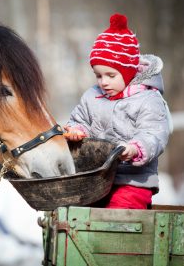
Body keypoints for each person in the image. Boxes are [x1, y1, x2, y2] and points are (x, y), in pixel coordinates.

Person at [64, 13, 172, 209]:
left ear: (128, 72)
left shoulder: (148, 99)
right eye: (98, 75)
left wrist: (134, 148)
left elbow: (153, 134)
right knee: (78, 211)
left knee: (118, 214)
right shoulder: (92, 96)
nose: (103, 82)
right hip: (96, 179)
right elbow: (80, 119)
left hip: (133, 181)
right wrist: (76, 131)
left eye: (111, 75)